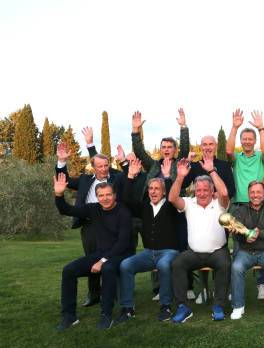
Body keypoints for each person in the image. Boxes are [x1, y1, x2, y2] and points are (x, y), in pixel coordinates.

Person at [54, 173, 134, 330]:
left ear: (114, 195)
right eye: (101, 196)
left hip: (122, 253)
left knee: (108, 268)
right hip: (102, 253)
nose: (105, 198)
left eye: (108, 195)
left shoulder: (123, 212)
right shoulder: (94, 209)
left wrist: (103, 261)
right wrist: (59, 194)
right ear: (97, 197)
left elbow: (122, 243)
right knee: (69, 270)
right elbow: (66, 210)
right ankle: (69, 317)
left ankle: (106, 315)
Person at [55, 132, 125, 308]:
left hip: (112, 224)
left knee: (112, 257)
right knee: (91, 258)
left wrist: (91, 144)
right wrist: (62, 162)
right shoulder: (85, 180)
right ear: (93, 167)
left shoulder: (116, 179)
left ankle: (113, 292)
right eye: (99, 166)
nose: (103, 169)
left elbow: (130, 177)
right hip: (89, 224)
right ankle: (94, 294)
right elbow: (64, 180)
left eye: (106, 165)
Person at [131, 109, 194, 298]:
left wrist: (183, 127)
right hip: (155, 214)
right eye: (163, 146)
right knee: (154, 247)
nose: (166, 149)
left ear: (174, 150)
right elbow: (140, 152)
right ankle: (159, 288)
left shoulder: (179, 163)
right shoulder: (153, 165)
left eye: (169, 146)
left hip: (175, 211)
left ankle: (188, 286)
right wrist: (135, 131)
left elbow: (185, 147)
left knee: (182, 246)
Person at [117, 159, 181, 323]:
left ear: (164, 192)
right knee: (126, 265)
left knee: (163, 265)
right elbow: (126, 199)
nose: (153, 191)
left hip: (169, 252)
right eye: (151, 189)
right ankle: (128, 307)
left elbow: (174, 195)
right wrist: (130, 176)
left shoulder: (172, 205)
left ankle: (166, 305)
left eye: (157, 189)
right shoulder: (144, 206)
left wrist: (167, 177)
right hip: (148, 253)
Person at [169, 158, 231, 322]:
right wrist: (181, 176)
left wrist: (211, 171)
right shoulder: (189, 203)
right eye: (198, 190)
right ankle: (183, 306)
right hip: (194, 253)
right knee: (177, 264)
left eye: (205, 190)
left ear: (212, 191)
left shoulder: (220, 204)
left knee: (225, 264)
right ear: (194, 191)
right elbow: (172, 198)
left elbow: (224, 192)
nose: (202, 193)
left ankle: (218, 305)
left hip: (218, 252)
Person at [226, 109, 264, 299]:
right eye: (243, 139)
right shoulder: (236, 159)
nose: (246, 141)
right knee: (238, 245)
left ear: (254, 141)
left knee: (262, 243)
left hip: (261, 205)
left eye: (249, 139)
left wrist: (261, 128)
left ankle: (262, 284)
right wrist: (235, 127)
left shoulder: (261, 158)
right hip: (239, 206)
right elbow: (228, 151)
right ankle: (236, 286)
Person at [229, 181, 264, 319]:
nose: (255, 195)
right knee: (236, 267)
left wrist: (260, 233)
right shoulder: (240, 211)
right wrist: (244, 239)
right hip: (246, 251)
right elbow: (235, 235)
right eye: (252, 192)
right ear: (248, 194)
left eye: (258, 192)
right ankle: (238, 306)